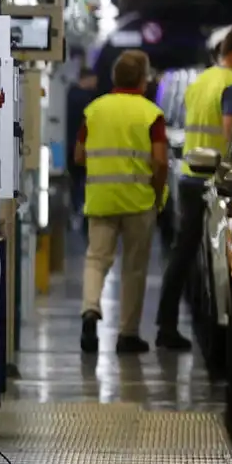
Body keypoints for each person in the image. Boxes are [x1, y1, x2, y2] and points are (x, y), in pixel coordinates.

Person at [156, 25, 232, 350]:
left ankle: (167, 322)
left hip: (192, 175)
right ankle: (170, 326)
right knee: (215, 265)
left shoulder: (201, 82)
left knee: (185, 254)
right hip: (216, 184)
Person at [76, 49, 168, 355]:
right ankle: (128, 335)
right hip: (138, 202)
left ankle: (90, 311)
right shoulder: (150, 114)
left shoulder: (94, 110)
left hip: (101, 199)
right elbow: (160, 161)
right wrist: (157, 192)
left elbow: (79, 155)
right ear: (142, 80)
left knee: (96, 259)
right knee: (134, 268)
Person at [65, 66, 100, 239]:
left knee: (74, 182)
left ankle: (75, 212)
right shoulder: (87, 100)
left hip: (67, 146)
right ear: (87, 78)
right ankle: (81, 213)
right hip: (81, 147)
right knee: (82, 184)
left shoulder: (69, 94)